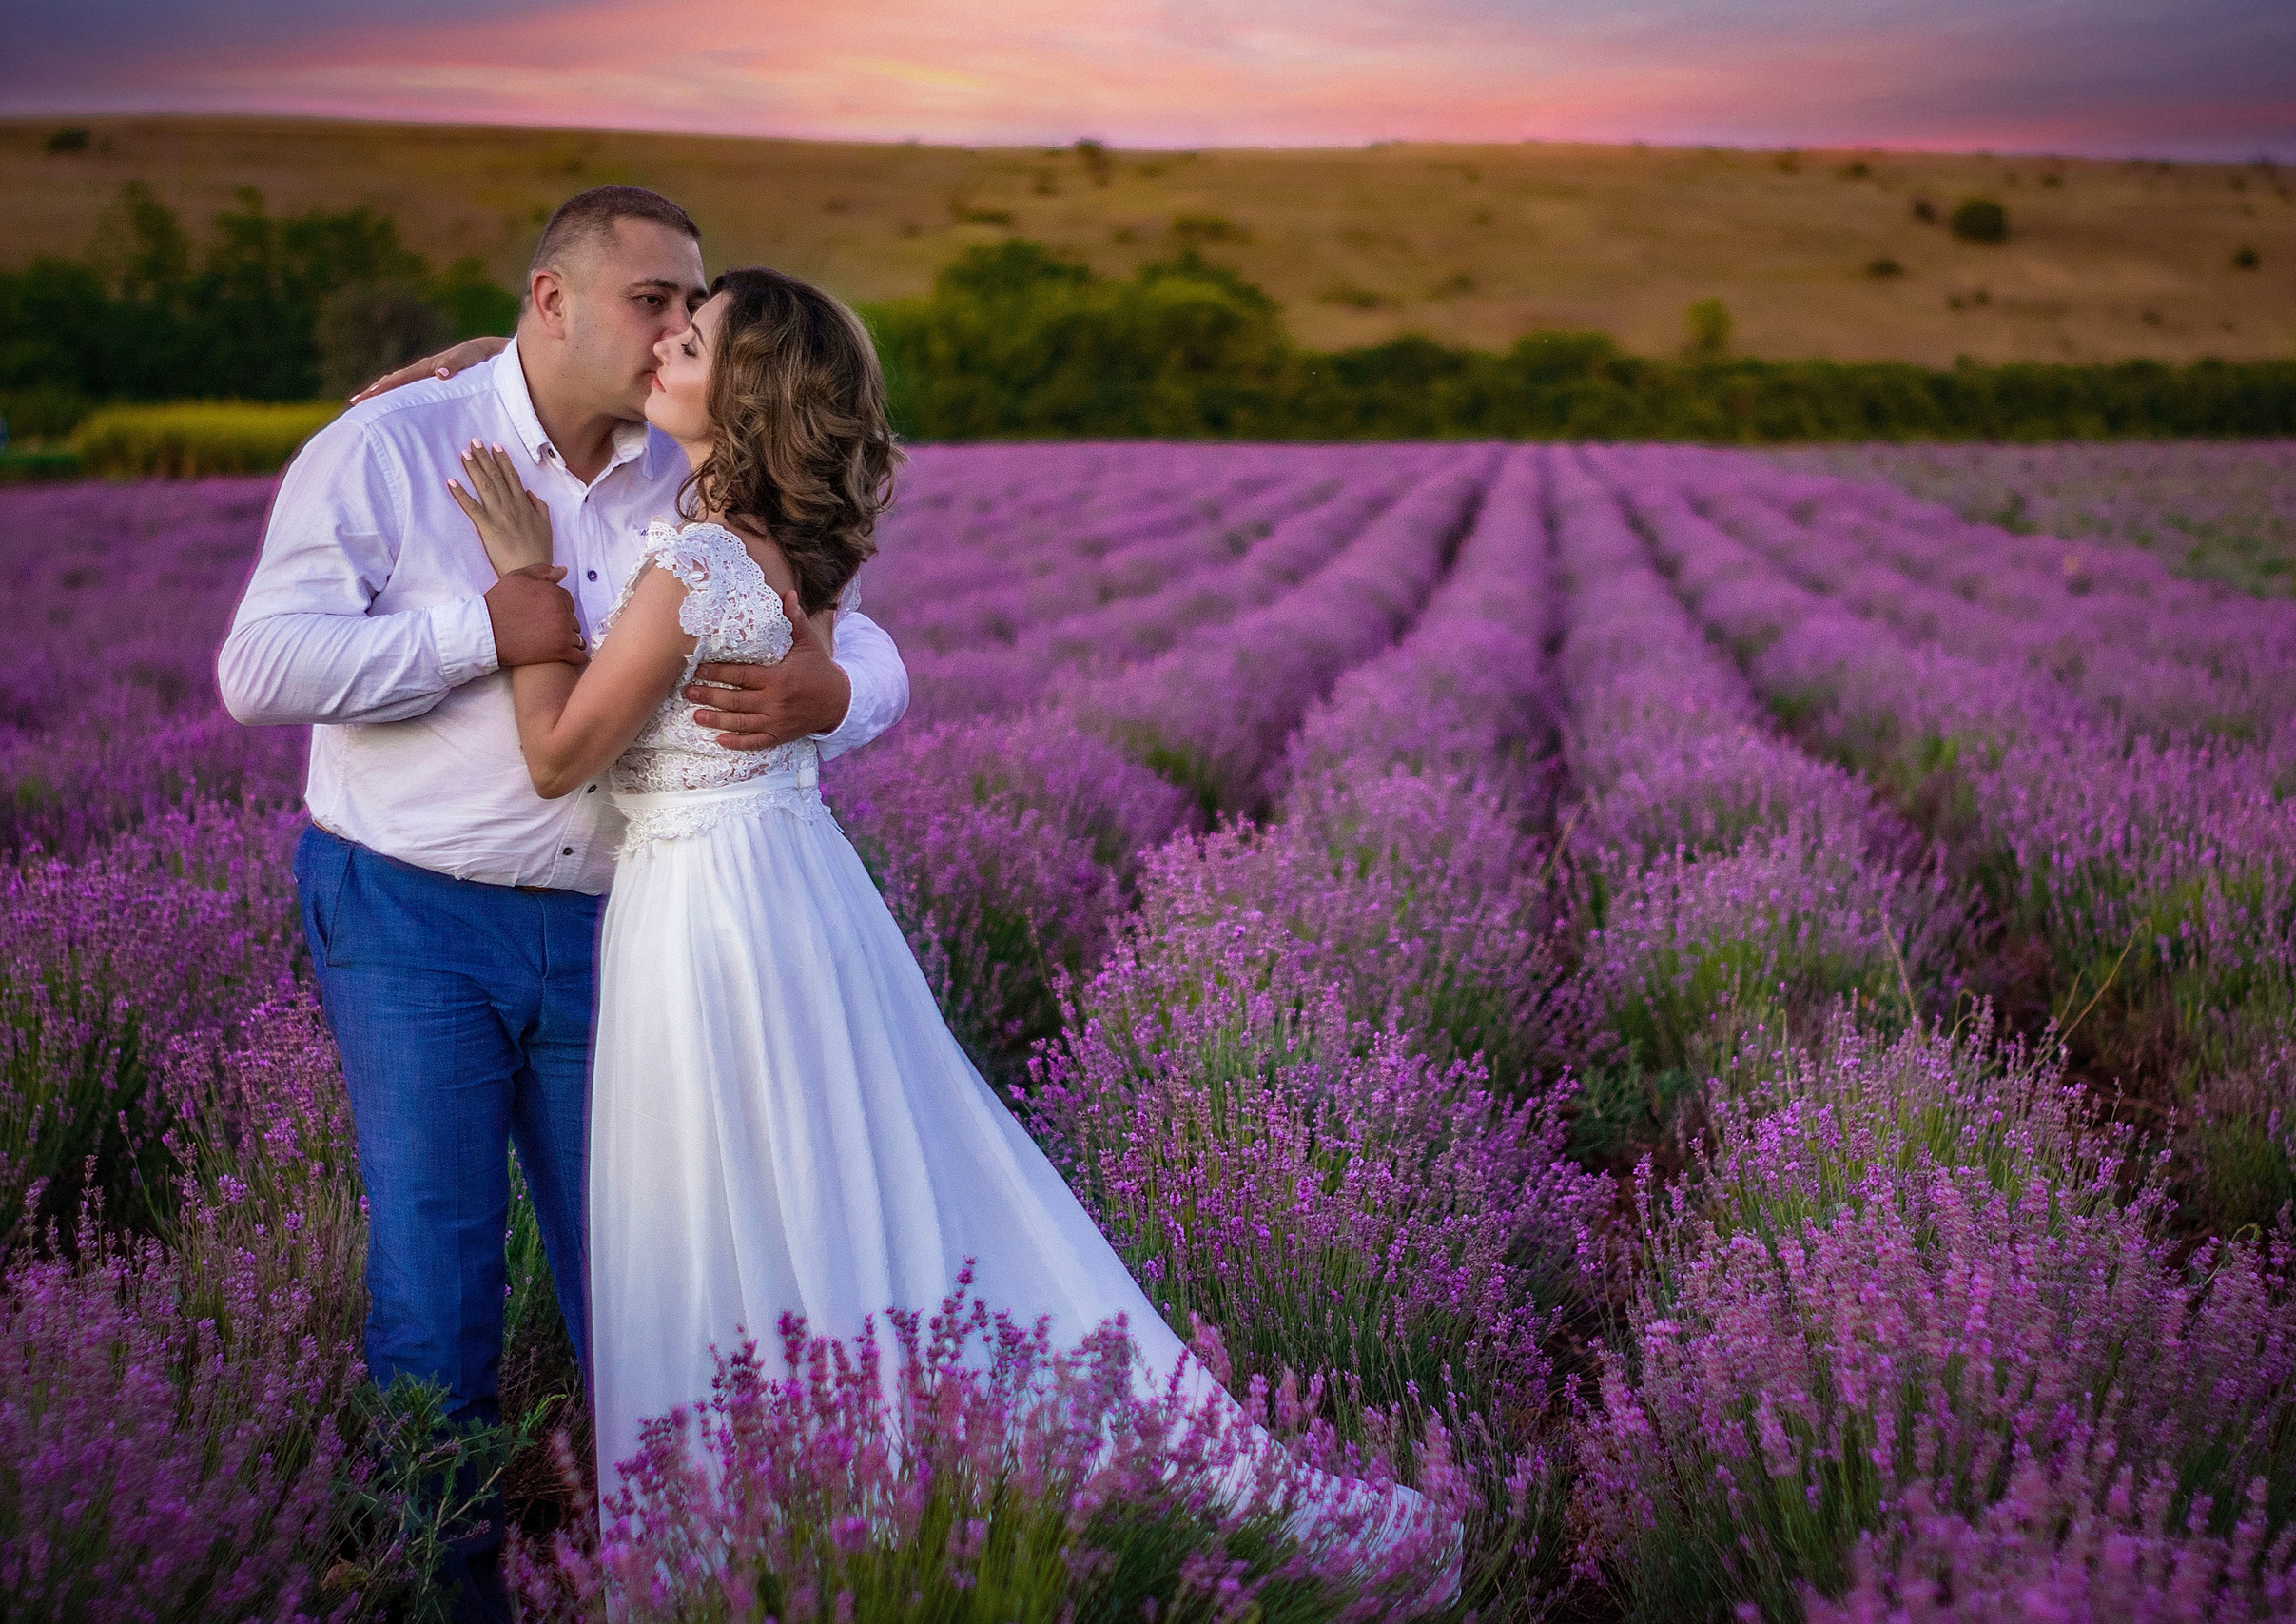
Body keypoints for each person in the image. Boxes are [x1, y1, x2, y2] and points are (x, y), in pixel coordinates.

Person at [446, 265, 1457, 1599]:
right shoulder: (777, 549)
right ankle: (867, 1508)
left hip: (710, 914)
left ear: (748, 396)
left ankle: (788, 1538)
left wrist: (525, 591)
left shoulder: (694, 562)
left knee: (729, 1200)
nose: (666, 347)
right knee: (827, 1187)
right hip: (790, 888)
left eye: (693, 340)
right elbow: (828, 660)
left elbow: (558, 757)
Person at [216, 186, 910, 1623]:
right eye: (654, 301)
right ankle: (442, 1584)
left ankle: (691, 1570)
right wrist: (482, 624)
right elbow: (259, 668)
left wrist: (836, 695)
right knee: (438, 1272)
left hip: (626, 929)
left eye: (690, 310)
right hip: (412, 914)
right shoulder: (393, 444)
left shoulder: (685, 464)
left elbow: (853, 627)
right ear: (552, 300)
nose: (674, 333)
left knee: (648, 1264)